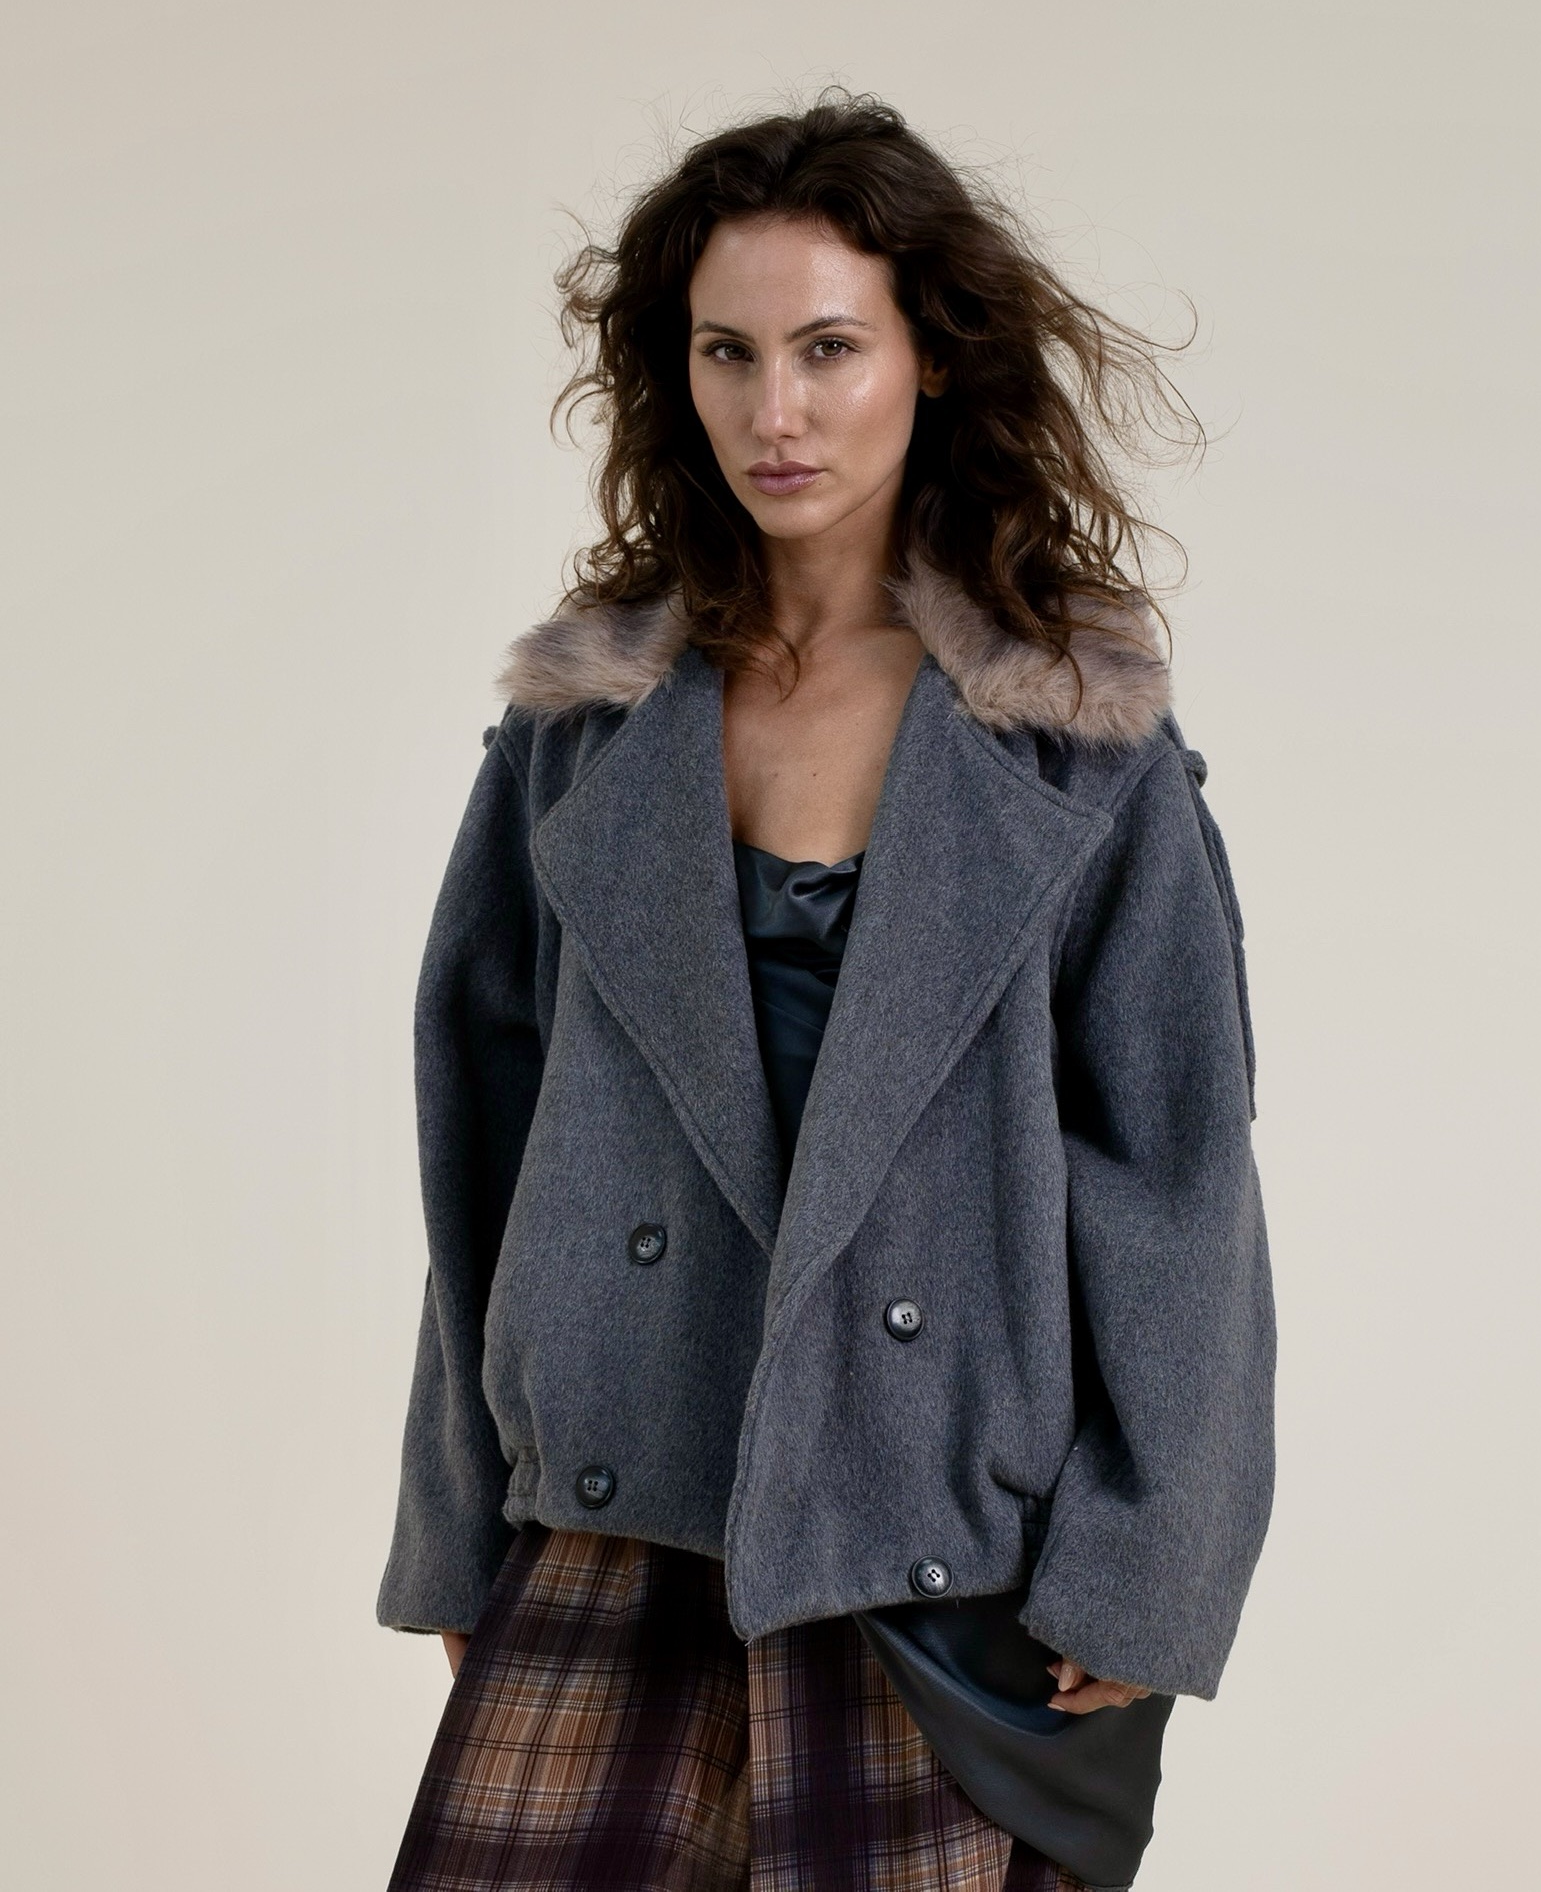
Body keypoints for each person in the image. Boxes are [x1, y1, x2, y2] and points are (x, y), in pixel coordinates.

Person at [378, 93, 1275, 1892]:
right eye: (726, 352)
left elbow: (1176, 1172)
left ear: (929, 357)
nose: (772, 412)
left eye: (826, 349)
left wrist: (1147, 1559)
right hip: (620, 1490)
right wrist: (460, 1520)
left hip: (925, 1530)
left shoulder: (1073, 738)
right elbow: (479, 1143)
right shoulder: (581, 732)